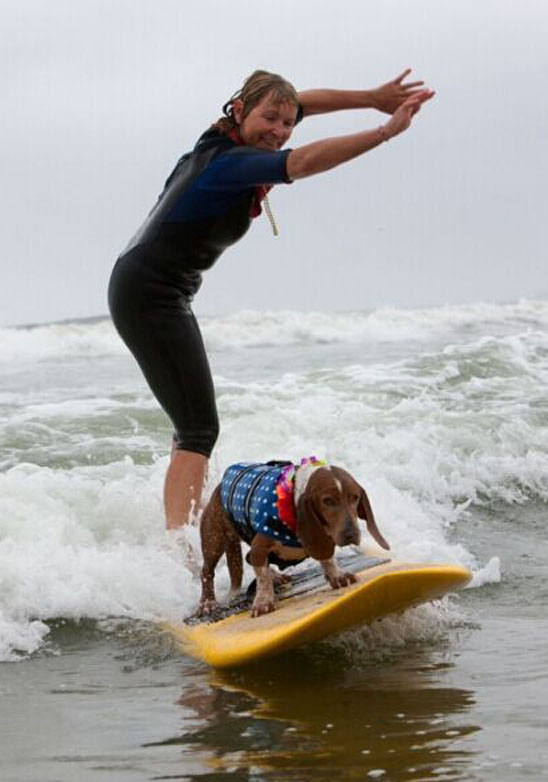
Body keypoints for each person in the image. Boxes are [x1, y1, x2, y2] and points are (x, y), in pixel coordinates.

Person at [108, 69, 434, 531]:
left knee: (193, 426)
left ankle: (184, 530)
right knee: (199, 430)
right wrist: (383, 132)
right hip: (149, 294)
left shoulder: (223, 136)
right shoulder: (225, 164)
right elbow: (299, 164)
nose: (279, 131)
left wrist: (371, 97)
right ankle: (180, 550)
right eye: (270, 119)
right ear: (239, 110)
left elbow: (304, 102)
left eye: (287, 123)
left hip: (150, 287)